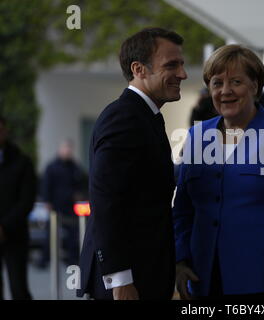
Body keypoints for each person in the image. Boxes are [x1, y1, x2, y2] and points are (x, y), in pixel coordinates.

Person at [173, 44, 264, 300]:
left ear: (254, 86)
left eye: (236, 81)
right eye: (217, 83)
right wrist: (180, 260)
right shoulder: (196, 135)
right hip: (205, 279)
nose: (225, 91)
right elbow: (183, 210)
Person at [77, 27, 187, 300]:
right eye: (171, 65)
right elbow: (106, 203)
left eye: (182, 64)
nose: (182, 74)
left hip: (144, 276)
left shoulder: (145, 116)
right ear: (139, 69)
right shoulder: (125, 118)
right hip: (128, 285)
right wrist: (120, 280)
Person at [0, 115, 36, 300]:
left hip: (14, 234)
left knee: (18, 288)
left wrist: (4, 227)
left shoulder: (22, 162)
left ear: (5, 131)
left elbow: (26, 200)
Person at [40, 139, 86, 268]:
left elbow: (81, 183)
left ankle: (71, 259)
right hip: (55, 205)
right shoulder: (52, 167)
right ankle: (45, 259)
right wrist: (47, 201)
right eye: (65, 148)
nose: (68, 151)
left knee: (73, 234)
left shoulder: (75, 167)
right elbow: (46, 185)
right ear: (60, 149)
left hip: (71, 207)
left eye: (70, 148)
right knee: (51, 234)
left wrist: (80, 195)